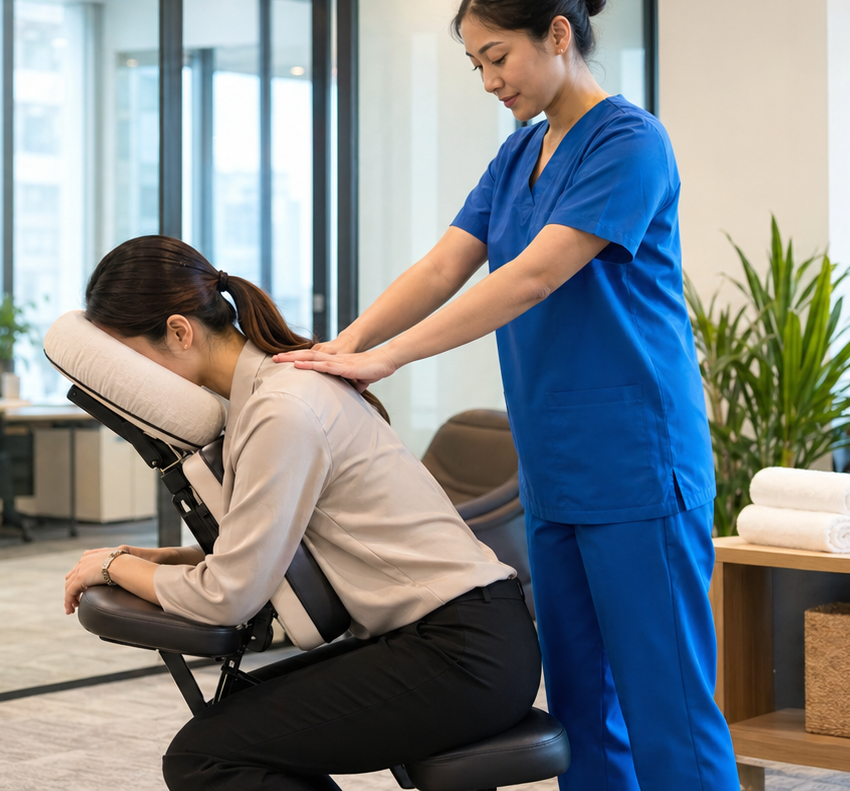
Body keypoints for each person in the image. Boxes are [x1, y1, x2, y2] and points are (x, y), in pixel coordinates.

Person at [274, 0, 739, 791]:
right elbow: (442, 266)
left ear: (558, 35)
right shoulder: (519, 154)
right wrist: (346, 346)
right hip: (554, 470)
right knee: (580, 708)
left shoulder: (630, 142)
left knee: (667, 706)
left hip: (637, 464)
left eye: (498, 57)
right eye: (475, 64)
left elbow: (533, 275)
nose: (490, 81)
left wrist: (388, 357)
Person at [61, 235, 541, 791]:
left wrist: (114, 566)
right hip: (458, 639)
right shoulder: (272, 393)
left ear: (178, 331)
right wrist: (159, 559)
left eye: (129, 358)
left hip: (462, 652)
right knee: (232, 722)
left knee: (206, 757)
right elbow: (265, 549)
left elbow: (228, 596)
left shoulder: (281, 409)